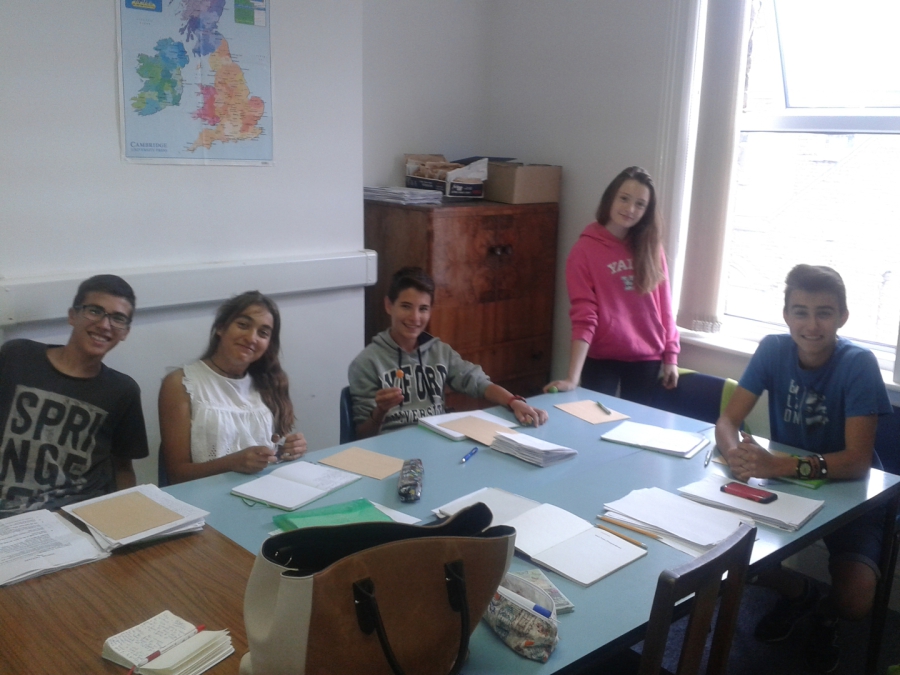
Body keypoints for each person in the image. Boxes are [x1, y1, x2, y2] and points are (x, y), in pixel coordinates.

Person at [715, 264, 892, 673]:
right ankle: (800, 593)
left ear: (842, 316)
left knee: (854, 602)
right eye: (801, 312)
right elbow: (727, 421)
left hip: (852, 494)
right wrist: (735, 455)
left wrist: (780, 464)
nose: (811, 325)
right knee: (723, 553)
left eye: (824, 313)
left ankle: (825, 614)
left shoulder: (859, 363)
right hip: (785, 485)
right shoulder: (773, 349)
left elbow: (856, 461)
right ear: (786, 315)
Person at [0, 275, 149, 519]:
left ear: (125, 332)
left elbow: (123, 468)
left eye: (118, 318)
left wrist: (125, 519)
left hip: (76, 515)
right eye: (95, 311)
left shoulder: (123, 390)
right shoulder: (17, 356)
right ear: (73, 315)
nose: (105, 325)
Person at [349, 267, 549, 439]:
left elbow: (477, 381)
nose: (415, 317)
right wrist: (380, 411)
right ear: (388, 306)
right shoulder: (367, 363)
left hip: (437, 441)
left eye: (423, 309)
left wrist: (513, 401)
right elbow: (361, 436)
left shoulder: (440, 352)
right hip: (391, 448)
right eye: (406, 307)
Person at [545, 166, 679, 403]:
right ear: (611, 198)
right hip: (601, 358)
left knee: (637, 425)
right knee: (593, 421)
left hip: (647, 358)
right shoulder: (584, 251)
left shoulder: (651, 247)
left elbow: (664, 306)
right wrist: (572, 378)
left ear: (647, 211)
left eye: (640, 204)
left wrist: (671, 357)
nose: (630, 209)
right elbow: (584, 315)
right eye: (624, 198)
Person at [158, 291, 307, 484]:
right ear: (221, 327)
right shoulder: (182, 383)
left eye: (263, 333)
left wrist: (289, 449)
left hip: (263, 491)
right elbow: (177, 475)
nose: (251, 338)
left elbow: (273, 452)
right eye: (243, 325)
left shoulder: (268, 383)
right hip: (205, 495)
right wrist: (232, 463)